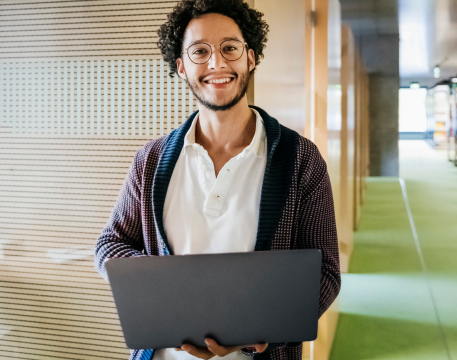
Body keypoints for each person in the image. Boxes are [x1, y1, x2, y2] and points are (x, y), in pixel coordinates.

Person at [94, 1, 341, 359]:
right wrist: (163, 295)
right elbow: (109, 245)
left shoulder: (301, 159)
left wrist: (262, 327)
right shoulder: (151, 160)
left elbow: (326, 273)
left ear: (251, 58)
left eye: (230, 48)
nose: (217, 63)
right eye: (200, 52)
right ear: (181, 67)